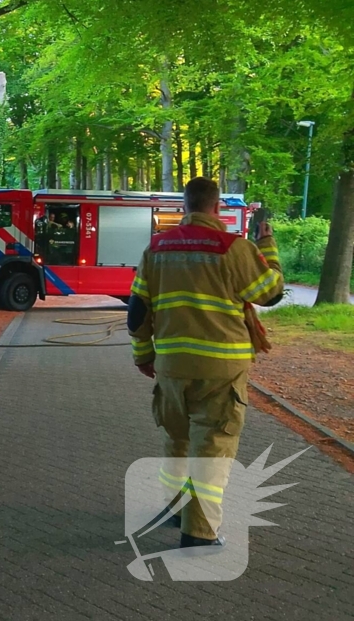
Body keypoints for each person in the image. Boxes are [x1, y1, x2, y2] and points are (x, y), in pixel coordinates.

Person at [127, 177, 284, 550]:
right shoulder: (234, 247)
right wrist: (267, 244)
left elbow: (137, 313)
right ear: (216, 208)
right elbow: (271, 291)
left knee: (177, 440)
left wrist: (144, 356)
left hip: (171, 366)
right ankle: (198, 534)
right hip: (221, 371)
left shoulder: (156, 248)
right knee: (212, 449)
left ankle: (176, 508)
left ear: (185, 206)